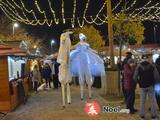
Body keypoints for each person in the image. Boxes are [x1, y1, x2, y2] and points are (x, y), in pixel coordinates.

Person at [70, 33, 105, 99]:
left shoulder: (86, 45)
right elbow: (73, 47)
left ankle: (89, 95)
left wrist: (95, 51)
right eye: (82, 38)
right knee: (81, 77)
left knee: (88, 76)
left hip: (86, 62)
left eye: (84, 38)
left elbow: (90, 50)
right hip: (81, 62)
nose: (83, 39)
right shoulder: (79, 44)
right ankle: (82, 96)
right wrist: (70, 48)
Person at [133, 54, 159, 120]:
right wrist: (155, 83)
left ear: (142, 59)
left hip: (142, 86)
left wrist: (138, 82)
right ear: (148, 59)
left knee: (142, 101)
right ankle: (154, 116)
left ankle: (142, 116)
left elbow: (134, 77)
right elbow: (157, 77)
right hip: (151, 86)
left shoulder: (138, 67)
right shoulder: (152, 66)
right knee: (152, 101)